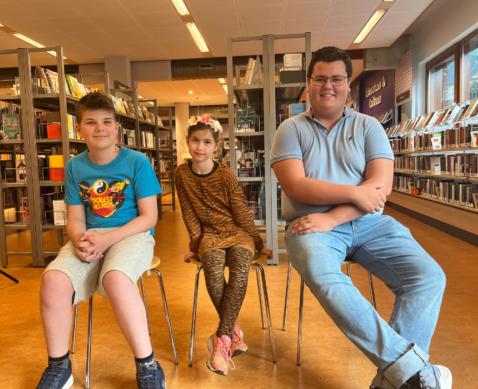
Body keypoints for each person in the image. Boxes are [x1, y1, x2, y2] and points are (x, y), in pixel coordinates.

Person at [270, 47, 451, 389]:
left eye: (336, 78)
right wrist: (355, 193)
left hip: (369, 224)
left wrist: (335, 215)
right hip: (311, 227)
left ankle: (397, 381)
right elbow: (296, 186)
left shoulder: (369, 126)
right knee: (322, 273)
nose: (328, 86)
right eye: (320, 78)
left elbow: (381, 187)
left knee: (428, 277)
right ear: (308, 84)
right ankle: (415, 375)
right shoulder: (290, 129)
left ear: (347, 85)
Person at [36, 92, 165, 389]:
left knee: (117, 279)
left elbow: (149, 217)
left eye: (107, 121)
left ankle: (147, 364)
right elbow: (76, 217)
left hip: (131, 234)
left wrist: (108, 241)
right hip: (91, 237)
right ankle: (59, 366)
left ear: (117, 127)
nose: (100, 128)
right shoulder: (73, 166)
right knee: (53, 280)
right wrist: (79, 240)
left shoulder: (137, 161)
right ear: (79, 128)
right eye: (91, 122)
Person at [175, 115, 273, 376]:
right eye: (195, 140)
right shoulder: (180, 174)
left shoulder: (226, 175)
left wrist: (258, 242)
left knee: (241, 271)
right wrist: (196, 246)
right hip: (210, 236)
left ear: (216, 147)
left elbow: (241, 212)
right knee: (213, 274)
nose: (200, 146)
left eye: (207, 142)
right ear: (187, 141)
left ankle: (222, 339)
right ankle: (232, 332)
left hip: (238, 233)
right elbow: (188, 212)